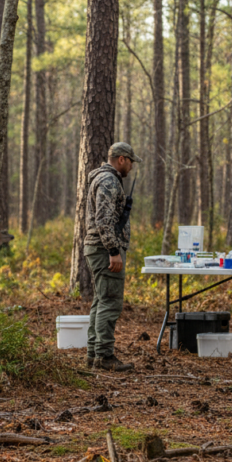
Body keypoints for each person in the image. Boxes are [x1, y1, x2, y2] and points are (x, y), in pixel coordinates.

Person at [83, 142, 141, 371]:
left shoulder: (104, 179)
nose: (131, 167)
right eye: (130, 162)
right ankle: (104, 357)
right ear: (121, 159)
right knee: (110, 303)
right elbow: (104, 221)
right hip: (104, 250)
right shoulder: (108, 181)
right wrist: (114, 252)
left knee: (101, 301)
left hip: (98, 249)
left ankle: (93, 354)